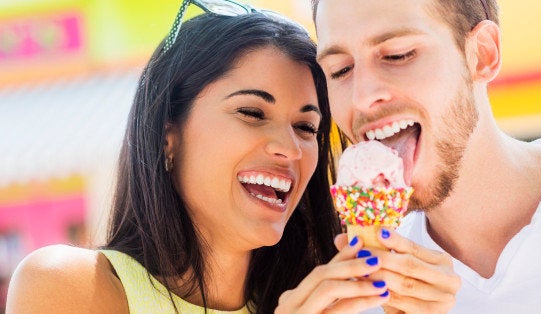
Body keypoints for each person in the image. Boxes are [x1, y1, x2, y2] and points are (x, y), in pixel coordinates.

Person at [5, 1, 405, 313]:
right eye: (251, 113)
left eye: (306, 128)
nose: (289, 147)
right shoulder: (70, 286)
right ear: (168, 137)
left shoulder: (332, 304)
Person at [312, 0, 541, 313]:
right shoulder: (357, 297)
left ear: (482, 55)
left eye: (398, 55)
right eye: (339, 71)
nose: (362, 97)